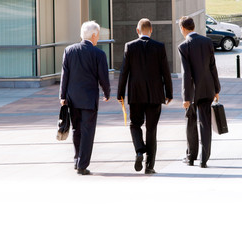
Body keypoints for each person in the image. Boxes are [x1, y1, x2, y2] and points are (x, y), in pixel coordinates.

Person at [117, 18, 173, 174]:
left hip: (136, 94)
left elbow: (124, 72)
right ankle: (149, 166)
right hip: (155, 95)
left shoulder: (130, 46)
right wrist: (169, 93)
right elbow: (166, 72)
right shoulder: (159, 47)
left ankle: (139, 150)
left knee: (135, 124)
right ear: (151, 30)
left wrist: (120, 93)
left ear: (137, 31)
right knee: (151, 129)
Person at [59, 21, 110, 175]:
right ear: (94, 35)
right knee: (88, 131)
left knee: (76, 129)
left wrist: (62, 96)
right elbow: (103, 77)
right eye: (98, 35)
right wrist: (106, 93)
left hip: (72, 98)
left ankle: (77, 159)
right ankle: (82, 164)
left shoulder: (69, 50)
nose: (98, 38)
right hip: (89, 99)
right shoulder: (99, 54)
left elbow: (64, 75)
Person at [178, 16, 221, 168]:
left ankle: (191, 157)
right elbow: (212, 67)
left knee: (190, 122)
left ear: (183, 28)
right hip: (208, 89)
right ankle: (204, 159)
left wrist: (186, 97)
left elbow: (186, 74)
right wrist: (217, 89)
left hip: (193, 92)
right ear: (193, 26)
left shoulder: (183, 47)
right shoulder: (207, 42)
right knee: (205, 123)